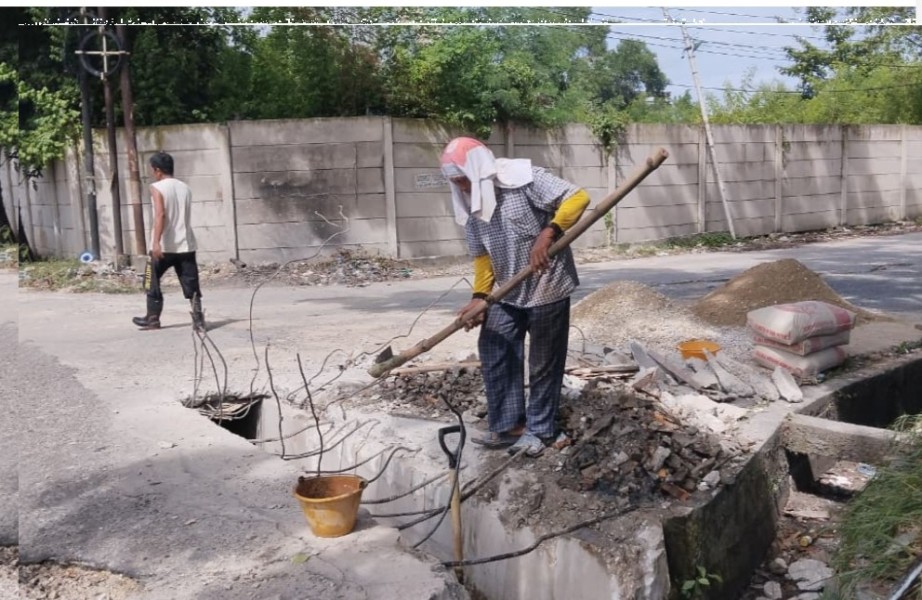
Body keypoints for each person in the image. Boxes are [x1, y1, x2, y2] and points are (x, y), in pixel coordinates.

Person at [440, 137, 590, 457]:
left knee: (543, 362)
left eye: (464, 179)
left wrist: (549, 232)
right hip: (506, 292)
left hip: (547, 285)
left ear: (479, 170)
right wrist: (480, 297)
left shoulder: (524, 179)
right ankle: (510, 426)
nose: (462, 187)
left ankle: (541, 431)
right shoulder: (469, 204)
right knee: (495, 346)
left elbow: (578, 197)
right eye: (455, 182)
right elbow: (482, 256)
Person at [132, 151, 205, 332]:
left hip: (164, 246)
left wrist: (156, 242)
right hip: (186, 244)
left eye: (152, 170)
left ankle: (152, 318)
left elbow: (160, 214)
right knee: (191, 282)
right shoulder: (185, 188)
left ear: (157, 170)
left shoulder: (157, 187)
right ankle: (198, 321)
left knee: (150, 278)